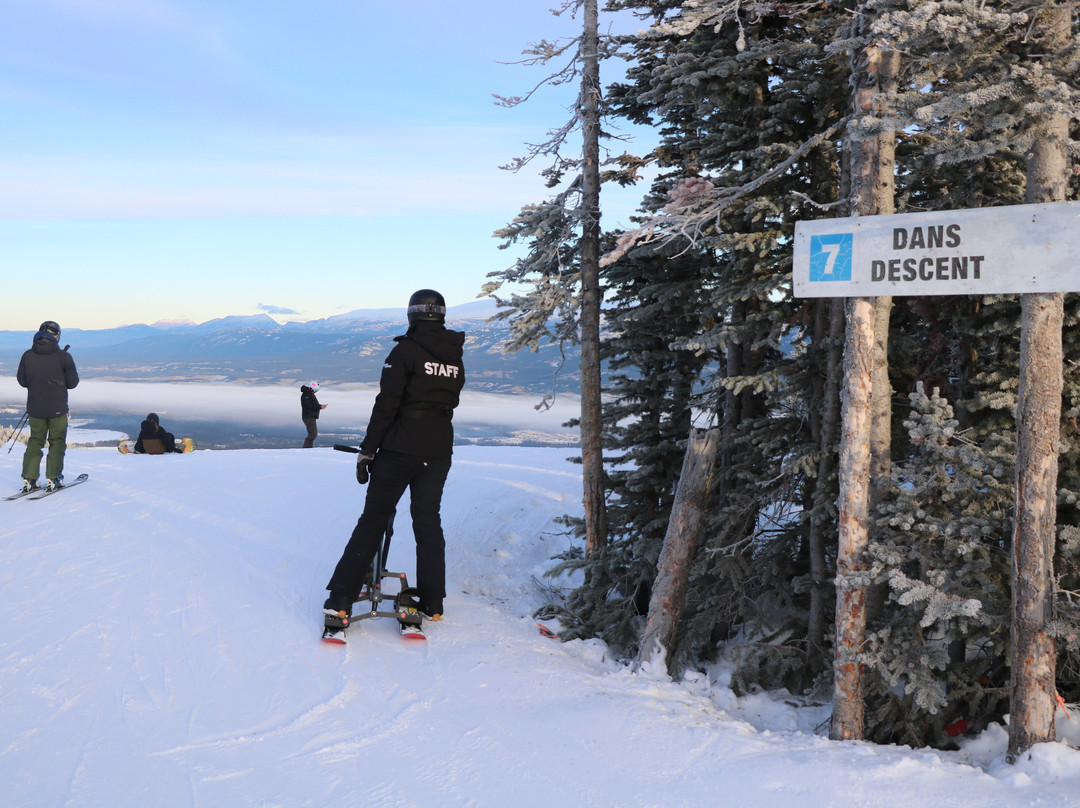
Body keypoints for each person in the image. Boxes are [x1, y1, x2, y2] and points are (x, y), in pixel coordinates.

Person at [324, 289, 465, 622]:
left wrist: (368, 450)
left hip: (400, 448)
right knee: (428, 521)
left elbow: (386, 404)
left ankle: (341, 596)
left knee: (373, 519)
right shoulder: (454, 355)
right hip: (439, 448)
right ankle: (433, 602)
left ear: (412, 316)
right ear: (441, 315)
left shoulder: (405, 352)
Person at [16, 320, 80, 493]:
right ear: (57, 335)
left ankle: (29, 479)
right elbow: (73, 383)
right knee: (57, 442)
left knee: (35, 441)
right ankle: (54, 478)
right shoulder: (64, 357)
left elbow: (22, 381)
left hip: (35, 408)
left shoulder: (27, 355)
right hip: (58, 409)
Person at [300, 382, 327, 448]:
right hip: (309, 417)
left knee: (312, 434)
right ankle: (306, 448)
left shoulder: (308, 394)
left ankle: (308, 448)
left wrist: (319, 406)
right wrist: (320, 407)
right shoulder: (306, 395)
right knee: (312, 434)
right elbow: (310, 406)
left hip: (310, 416)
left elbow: (311, 405)